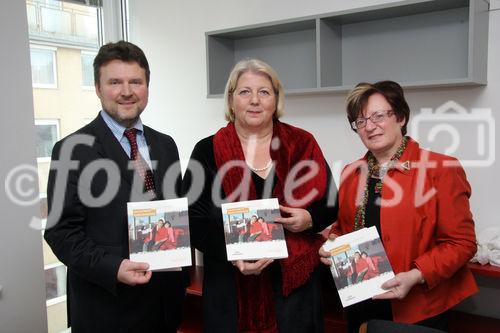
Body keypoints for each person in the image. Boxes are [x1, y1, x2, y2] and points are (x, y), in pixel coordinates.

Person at [183, 58, 338, 332]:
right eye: (245, 92)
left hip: (294, 293)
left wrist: (309, 218)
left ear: (275, 100)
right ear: (231, 100)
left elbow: (331, 203)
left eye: (264, 92)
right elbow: (192, 220)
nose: (254, 100)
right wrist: (234, 255)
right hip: (229, 290)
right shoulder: (206, 150)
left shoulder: (303, 144)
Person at [44, 41, 188, 332]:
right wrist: (114, 268)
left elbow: (174, 212)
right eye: (115, 82)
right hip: (107, 310)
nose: (126, 91)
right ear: (98, 88)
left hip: (163, 306)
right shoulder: (72, 149)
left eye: (135, 81)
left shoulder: (165, 144)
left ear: (147, 86)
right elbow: (61, 232)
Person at [319, 80, 478, 332]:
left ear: (401, 117)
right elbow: (343, 227)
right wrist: (332, 245)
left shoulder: (440, 169)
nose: (370, 126)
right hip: (360, 298)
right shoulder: (351, 172)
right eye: (360, 121)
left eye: (379, 116)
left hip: (418, 304)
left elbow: (462, 243)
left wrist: (416, 275)